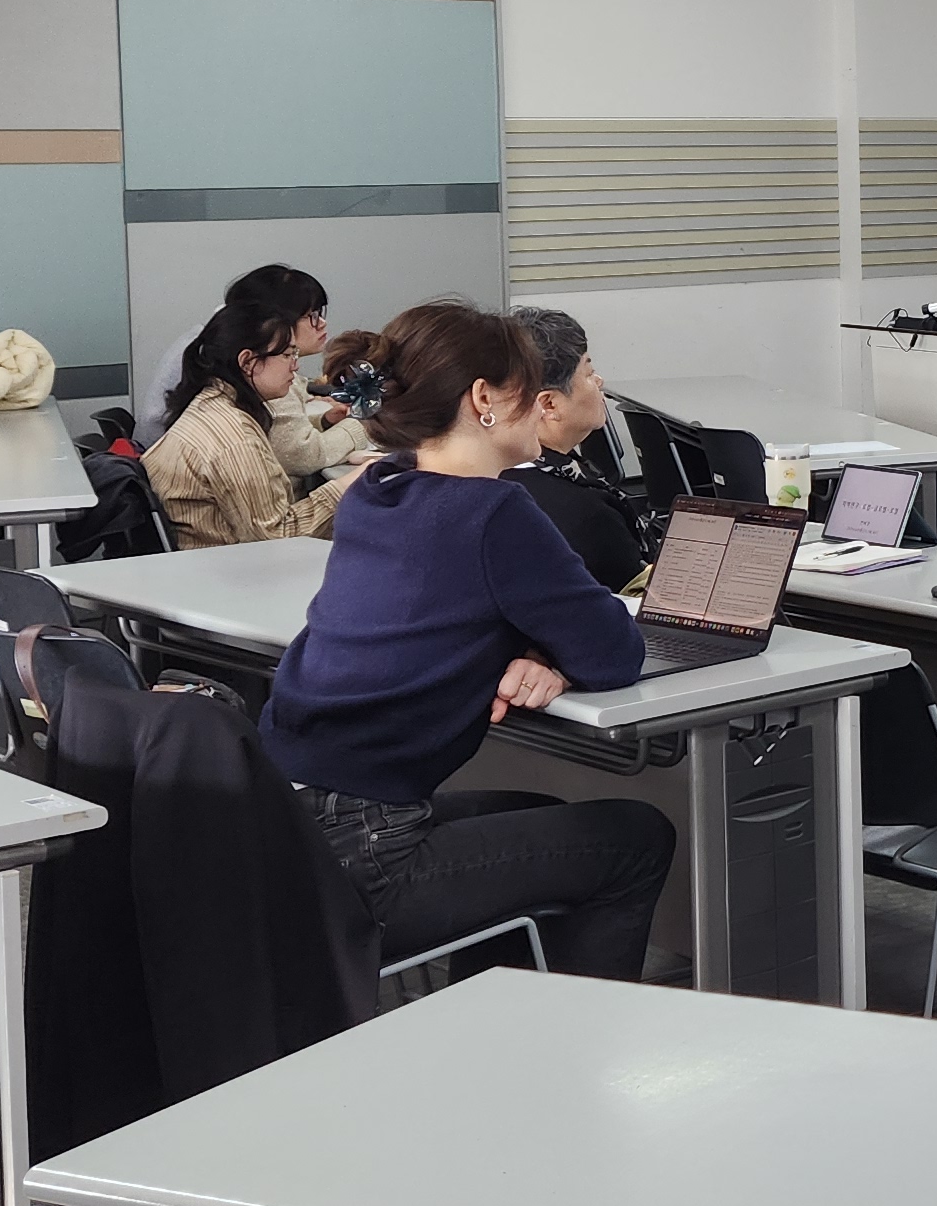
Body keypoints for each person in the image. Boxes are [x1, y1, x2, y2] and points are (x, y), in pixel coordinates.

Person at [259, 301, 673, 981]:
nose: (542, 403)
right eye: (528, 386)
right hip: (368, 855)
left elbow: (450, 607)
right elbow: (613, 653)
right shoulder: (494, 511)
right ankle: (561, 1032)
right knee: (637, 837)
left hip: (283, 825)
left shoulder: (377, 488)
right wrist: (552, 652)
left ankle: (499, 1023)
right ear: (484, 398)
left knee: (538, 815)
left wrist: (539, 652)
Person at [143, 303, 356, 549]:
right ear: (247, 361)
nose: (295, 366)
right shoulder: (233, 437)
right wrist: (349, 483)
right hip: (230, 565)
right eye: (287, 355)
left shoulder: (212, 402)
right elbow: (276, 538)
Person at [131, 266, 363, 483]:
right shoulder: (252, 373)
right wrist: (363, 425)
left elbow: (276, 437)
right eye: (311, 315)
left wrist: (323, 420)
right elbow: (301, 456)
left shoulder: (215, 344)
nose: (321, 323)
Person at [504, 306, 643, 591]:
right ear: (549, 404)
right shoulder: (586, 515)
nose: (599, 381)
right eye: (589, 373)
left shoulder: (489, 470)